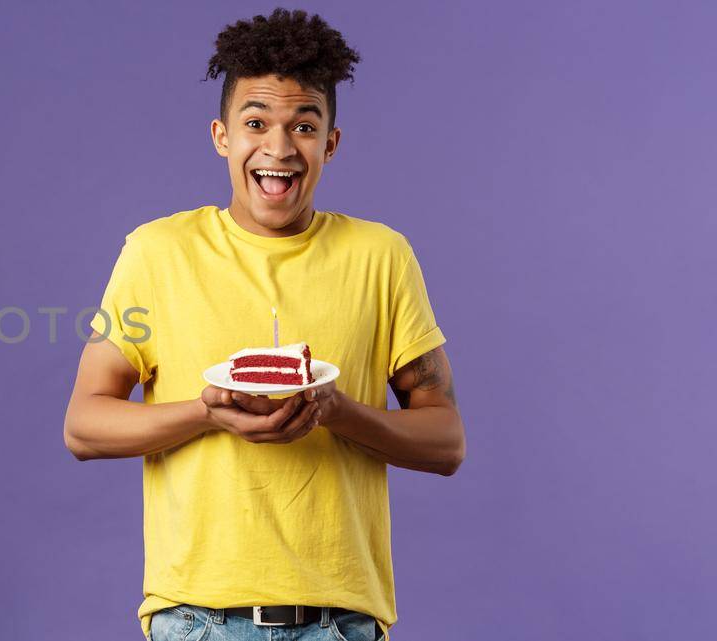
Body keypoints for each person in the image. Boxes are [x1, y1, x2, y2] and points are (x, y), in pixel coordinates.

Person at [61, 8, 466, 641]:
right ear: (222, 135)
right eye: (256, 123)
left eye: (303, 126)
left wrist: (337, 412)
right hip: (196, 620)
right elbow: (84, 425)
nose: (278, 148)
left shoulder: (382, 257)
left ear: (330, 143)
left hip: (341, 624)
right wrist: (205, 413)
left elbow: (446, 442)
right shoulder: (156, 253)